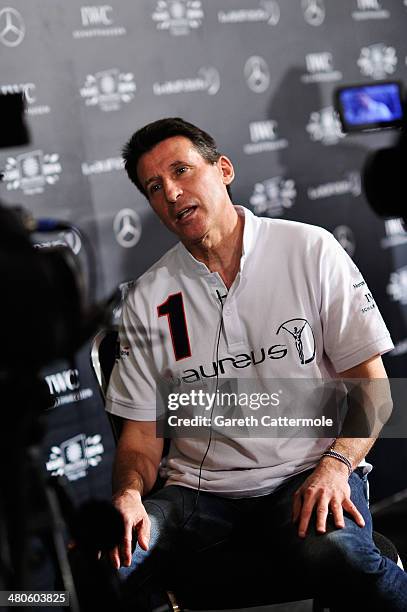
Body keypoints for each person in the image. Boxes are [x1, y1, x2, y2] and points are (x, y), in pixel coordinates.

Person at [106, 117, 407, 610]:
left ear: (223, 169)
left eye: (183, 171)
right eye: (155, 187)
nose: (173, 193)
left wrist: (336, 466)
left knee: (336, 555)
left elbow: (372, 387)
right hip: (197, 499)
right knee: (111, 563)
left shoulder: (309, 249)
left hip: (307, 474)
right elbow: (140, 437)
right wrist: (129, 494)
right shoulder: (146, 297)